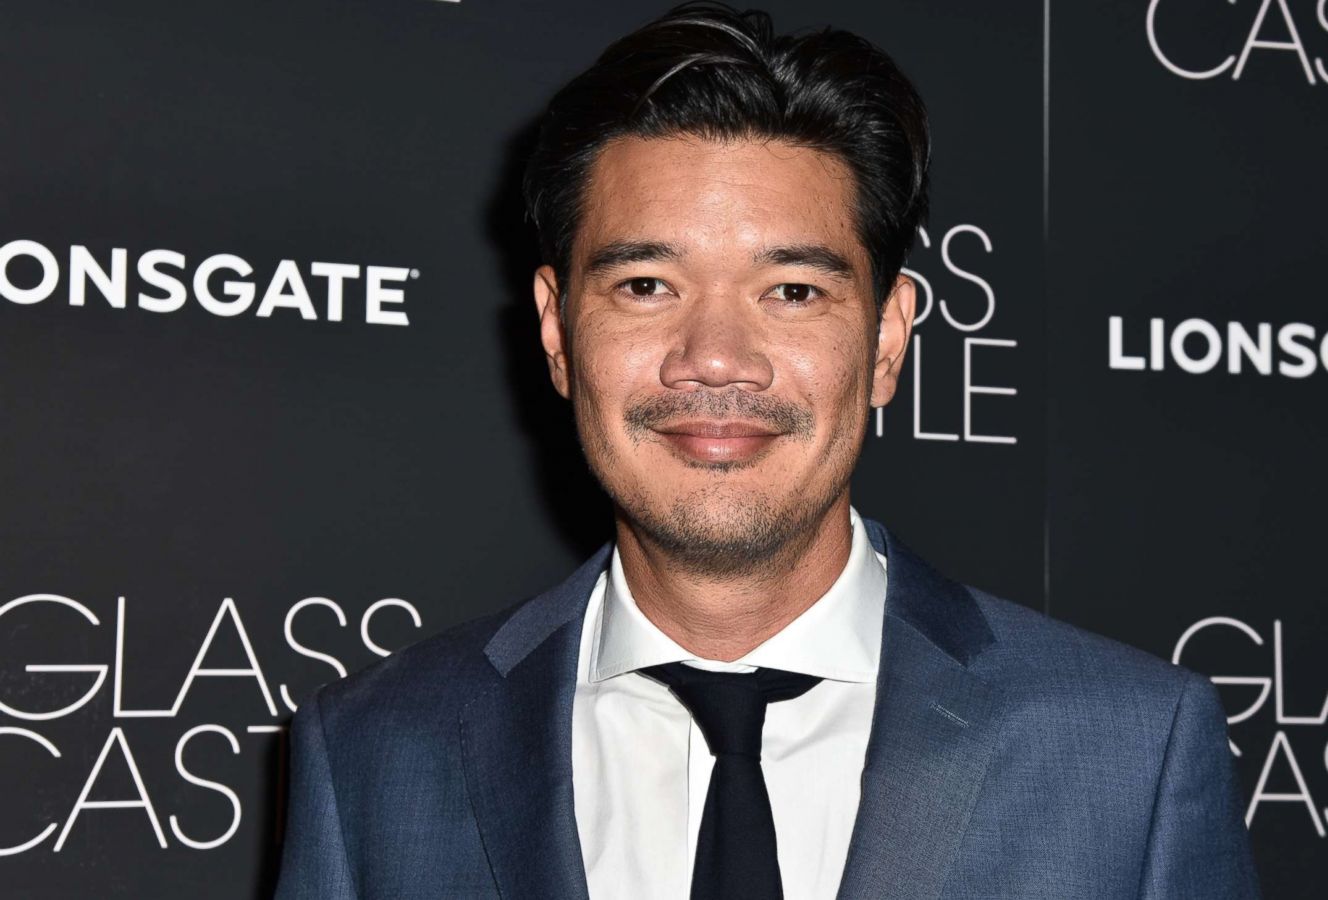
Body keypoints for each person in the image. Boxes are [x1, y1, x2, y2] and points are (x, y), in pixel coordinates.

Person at [274, 4, 1261, 898]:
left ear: (885, 341)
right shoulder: (375, 752)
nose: (713, 359)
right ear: (554, 332)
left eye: (791, 291)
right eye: (646, 285)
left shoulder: (1128, 754)